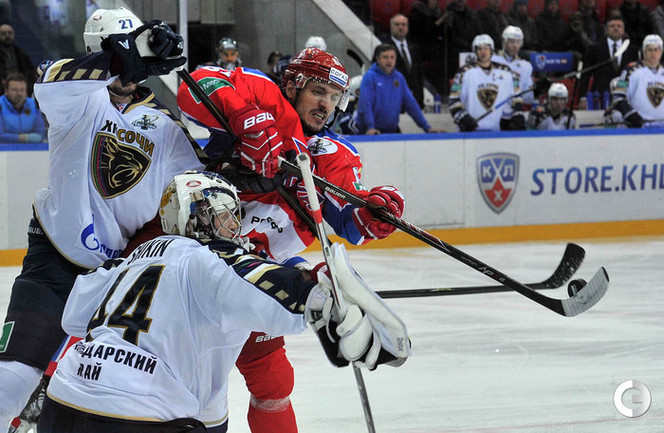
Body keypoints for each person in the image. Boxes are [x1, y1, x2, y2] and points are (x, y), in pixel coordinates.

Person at [34, 170, 410, 433]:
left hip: (62, 402)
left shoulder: (129, 260)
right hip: (141, 417)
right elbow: (268, 292)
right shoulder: (211, 261)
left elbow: (74, 316)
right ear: (200, 217)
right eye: (228, 216)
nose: (236, 226)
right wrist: (318, 295)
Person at [172, 46, 408, 433]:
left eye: (334, 97)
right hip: (195, 259)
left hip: (260, 274)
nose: (326, 104)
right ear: (294, 85)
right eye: (318, 91)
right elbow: (199, 84)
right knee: (182, 380)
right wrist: (243, 117)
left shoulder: (332, 153)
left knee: (274, 381)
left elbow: (349, 222)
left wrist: (374, 215)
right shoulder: (262, 93)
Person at [0, 7, 204, 431]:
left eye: (135, 54)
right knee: (10, 382)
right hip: (53, 262)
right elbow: (50, 79)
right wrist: (116, 60)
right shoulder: (77, 96)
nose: (130, 69)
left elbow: (197, 190)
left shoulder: (166, 125)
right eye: (118, 51)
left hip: (121, 278)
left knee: (103, 400)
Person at [449, 34, 526, 132]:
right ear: (475, 51)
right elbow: (453, 100)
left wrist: (518, 115)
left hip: (496, 133)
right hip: (470, 133)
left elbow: (517, 97)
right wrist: (463, 118)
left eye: (486, 48)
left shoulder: (506, 72)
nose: (483, 52)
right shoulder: (464, 72)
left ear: (491, 49)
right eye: (480, 48)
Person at [356, 44, 437, 134]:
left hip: (391, 130)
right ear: (378, 59)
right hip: (368, 132)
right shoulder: (370, 77)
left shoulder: (399, 78)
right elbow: (365, 104)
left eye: (392, 57)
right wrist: (370, 127)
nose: (389, 61)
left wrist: (426, 127)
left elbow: (410, 103)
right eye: (385, 57)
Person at [578, 16, 640, 109]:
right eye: (612, 26)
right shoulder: (595, 49)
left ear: (623, 30)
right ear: (606, 30)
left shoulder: (632, 51)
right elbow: (585, 74)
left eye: (619, 26)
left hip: (626, 95)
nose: (616, 28)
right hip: (600, 97)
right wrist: (582, 97)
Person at [609, 34, 664, 128]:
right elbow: (618, 96)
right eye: (649, 50)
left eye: (656, 50)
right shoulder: (630, 70)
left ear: (661, 52)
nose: (653, 53)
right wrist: (630, 115)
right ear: (644, 51)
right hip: (639, 128)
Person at [381, 13, 425, 107]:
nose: (400, 27)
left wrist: (420, 102)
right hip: (392, 102)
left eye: (403, 24)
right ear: (391, 27)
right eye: (397, 24)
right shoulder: (383, 48)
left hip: (414, 102)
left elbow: (419, 76)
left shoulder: (414, 48)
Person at [441, 0, 482, 94]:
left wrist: (475, 46)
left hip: (473, 50)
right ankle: (456, 93)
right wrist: (468, 46)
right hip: (455, 52)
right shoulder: (448, 14)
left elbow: (479, 33)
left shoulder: (473, 14)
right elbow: (451, 37)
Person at [492, 25, 535, 105]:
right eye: (512, 42)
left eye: (518, 42)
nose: (515, 46)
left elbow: (529, 97)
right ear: (504, 43)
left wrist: (533, 92)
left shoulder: (526, 66)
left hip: (515, 109)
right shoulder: (492, 60)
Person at [0, 72, 45, 143]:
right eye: (14, 90)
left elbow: (41, 134)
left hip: (31, 148)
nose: (19, 94)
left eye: (22, 90)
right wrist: (25, 138)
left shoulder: (33, 104)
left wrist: (16, 138)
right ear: (6, 91)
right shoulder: (1, 105)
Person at [0, 24, 35, 96]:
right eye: (3, 34)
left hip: (20, 87)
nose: (7, 36)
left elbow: (30, 72)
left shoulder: (20, 53)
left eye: (10, 33)